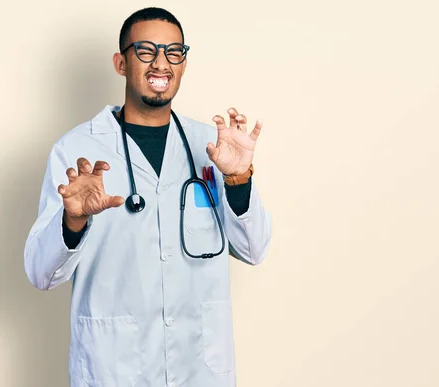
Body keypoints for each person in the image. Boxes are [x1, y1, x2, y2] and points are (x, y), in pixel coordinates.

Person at [24, 7, 272, 387]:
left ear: (184, 64)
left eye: (174, 52)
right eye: (145, 51)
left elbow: (254, 249)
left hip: (199, 368)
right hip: (114, 369)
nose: (161, 63)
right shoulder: (76, 148)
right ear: (121, 63)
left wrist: (238, 179)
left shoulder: (213, 146)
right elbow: (41, 273)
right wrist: (73, 221)